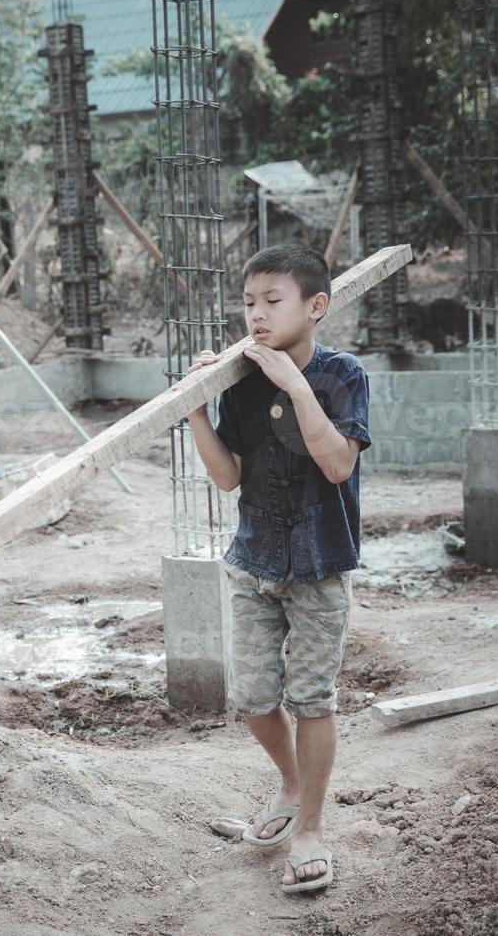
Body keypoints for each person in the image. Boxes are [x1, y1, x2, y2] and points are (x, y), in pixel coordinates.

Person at [186, 243, 372, 895]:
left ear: (315, 306)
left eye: (273, 302)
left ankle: (312, 830)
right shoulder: (239, 383)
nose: (256, 317)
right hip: (253, 560)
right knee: (255, 699)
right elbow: (228, 477)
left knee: (312, 698)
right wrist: (195, 407)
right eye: (248, 304)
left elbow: (338, 465)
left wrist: (295, 386)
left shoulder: (343, 375)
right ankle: (290, 784)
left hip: (319, 564)